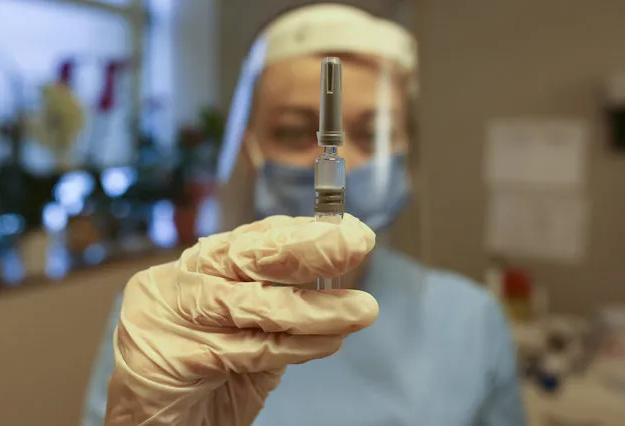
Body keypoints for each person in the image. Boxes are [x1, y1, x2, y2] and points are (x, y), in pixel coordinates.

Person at [83, 4, 527, 426]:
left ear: (407, 152)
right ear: (248, 147)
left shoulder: (471, 322)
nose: (339, 163)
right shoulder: (177, 319)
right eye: (294, 131)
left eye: (374, 133)